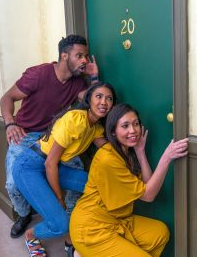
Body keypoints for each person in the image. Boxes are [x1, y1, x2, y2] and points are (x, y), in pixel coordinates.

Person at [0, 34, 99, 238]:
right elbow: (7, 97)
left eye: (86, 56)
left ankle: (72, 217)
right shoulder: (38, 74)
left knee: (77, 167)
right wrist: (9, 123)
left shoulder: (79, 84)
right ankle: (24, 215)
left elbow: (94, 102)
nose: (84, 60)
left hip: (53, 137)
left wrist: (94, 76)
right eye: (79, 55)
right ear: (64, 56)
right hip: (24, 134)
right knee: (12, 183)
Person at [70, 103, 189, 257]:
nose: (132, 130)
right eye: (125, 126)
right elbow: (149, 195)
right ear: (113, 132)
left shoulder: (126, 153)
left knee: (160, 233)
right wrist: (166, 157)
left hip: (117, 221)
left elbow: (147, 185)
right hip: (91, 227)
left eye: (136, 124)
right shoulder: (107, 158)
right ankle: (82, 251)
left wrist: (140, 153)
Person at [12, 82, 117, 257]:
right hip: (29, 167)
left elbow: (108, 150)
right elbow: (49, 164)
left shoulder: (95, 127)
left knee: (95, 184)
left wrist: (133, 151)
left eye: (109, 98)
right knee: (60, 223)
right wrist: (59, 198)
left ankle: (78, 230)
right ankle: (31, 235)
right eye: (99, 96)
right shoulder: (75, 120)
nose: (104, 102)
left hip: (53, 166)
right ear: (88, 99)